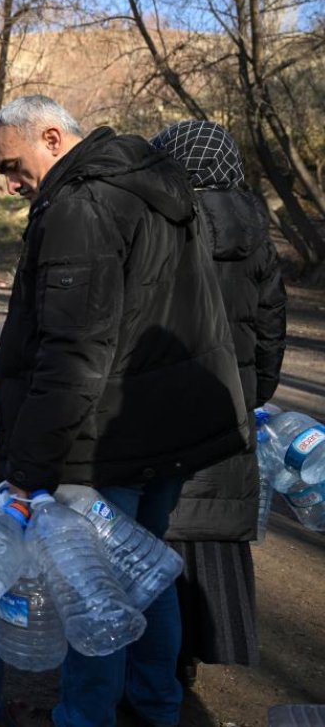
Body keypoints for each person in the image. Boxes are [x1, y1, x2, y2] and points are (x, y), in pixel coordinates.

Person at [0, 96, 248, 727]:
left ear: (52, 137)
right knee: (146, 571)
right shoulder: (152, 187)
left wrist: (28, 466)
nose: (12, 183)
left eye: (15, 166)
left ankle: (87, 716)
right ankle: (156, 702)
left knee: (92, 588)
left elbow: (74, 352)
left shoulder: (83, 205)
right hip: (166, 428)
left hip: (108, 439)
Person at [150, 120, 286, 688]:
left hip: (169, 413)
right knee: (216, 531)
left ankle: (162, 667)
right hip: (230, 413)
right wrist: (252, 394)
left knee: (164, 535)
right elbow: (272, 331)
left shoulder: (169, 226)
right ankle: (204, 649)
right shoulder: (259, 234)